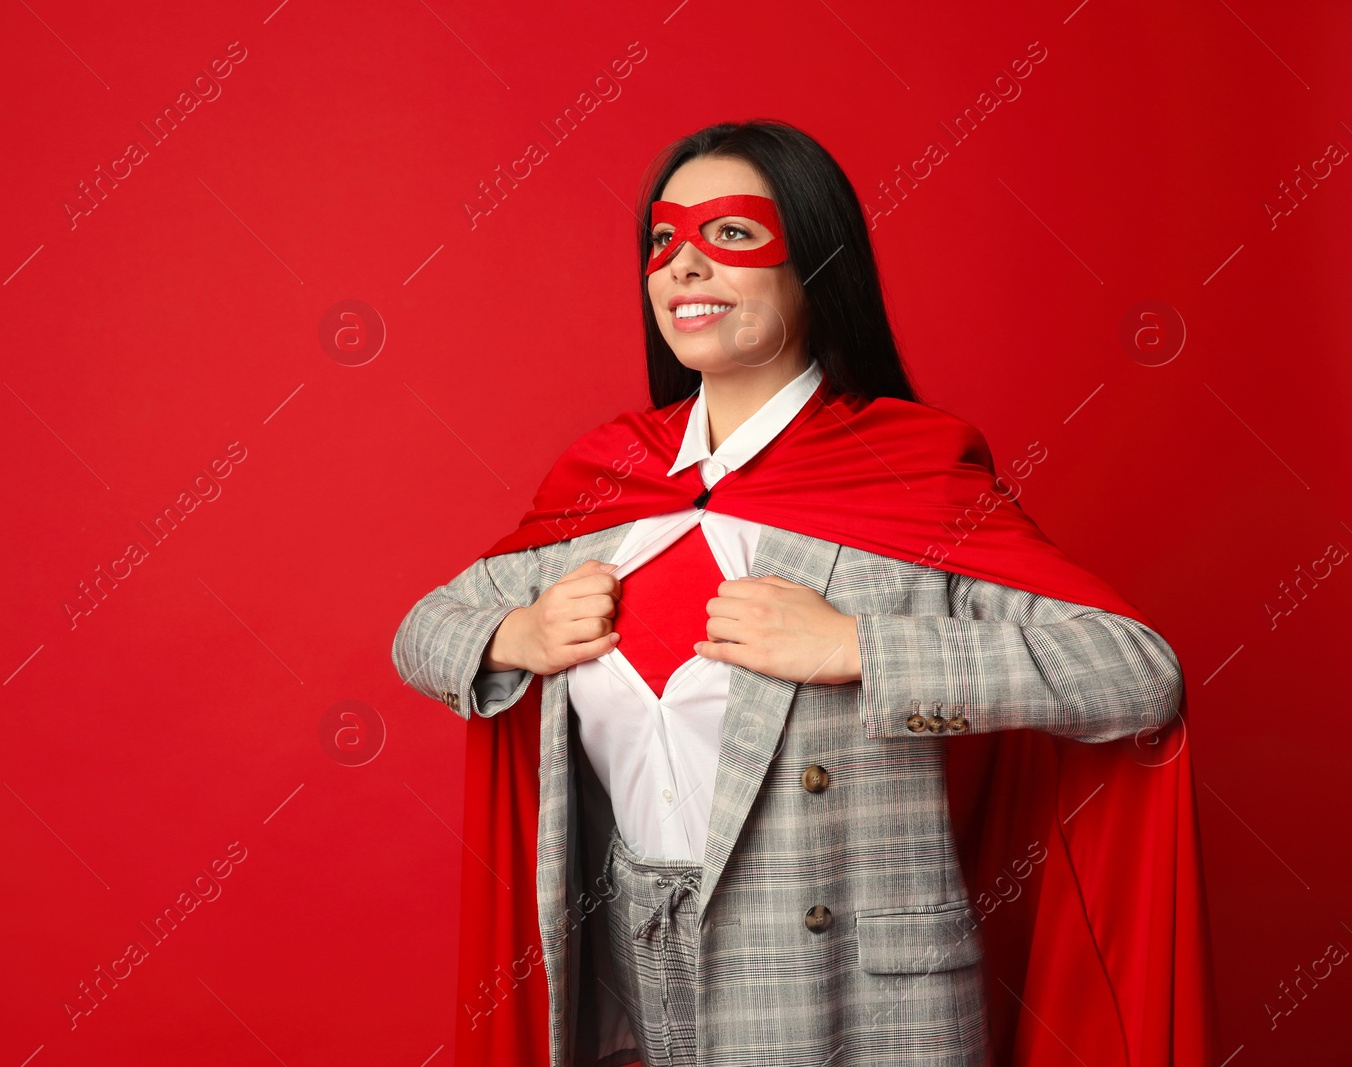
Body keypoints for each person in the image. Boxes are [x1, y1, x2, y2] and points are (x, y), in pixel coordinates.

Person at [391, 120, 1217, 1067]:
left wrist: (859, 649)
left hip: (853, 998)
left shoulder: (909, 473)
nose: (683, 266)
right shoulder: (610, 484)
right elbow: (423, 629)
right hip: (620, 985)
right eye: (663, 242)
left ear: (815, 265)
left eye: (730, 234)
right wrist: (517, 633)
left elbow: (1137, 673)